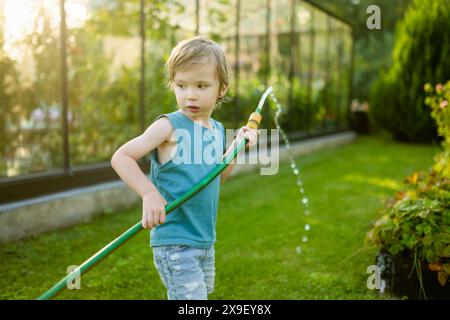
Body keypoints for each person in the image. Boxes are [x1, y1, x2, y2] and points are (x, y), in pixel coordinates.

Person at [110, 35, 259, 300]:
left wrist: (236, 147)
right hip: (175, 241)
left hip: (204, 239)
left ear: (221, 88)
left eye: (202, 85)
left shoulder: (216, 129)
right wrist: (148, 193)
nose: (190, 95)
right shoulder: (168, 126)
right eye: (181, 85)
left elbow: (217, 178)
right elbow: (121, 157)